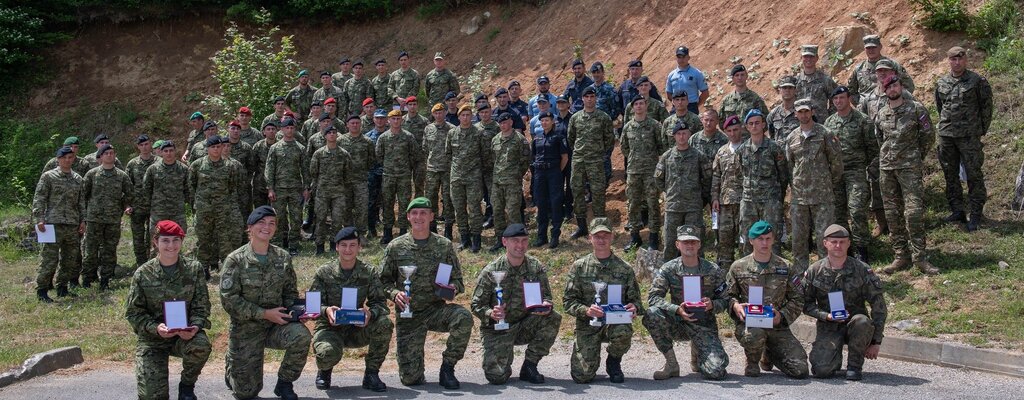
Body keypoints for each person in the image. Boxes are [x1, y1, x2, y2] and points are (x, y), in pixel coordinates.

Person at [378, 198, 473, 389]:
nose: (419, 217)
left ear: (431, 216)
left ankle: (447, 368)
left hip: (435, 310)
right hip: (408, 316)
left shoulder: (444, 245)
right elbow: (382, 282)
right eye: (414, 213)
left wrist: (451, 289)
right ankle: (414, 367)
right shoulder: (395, 247)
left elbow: (458, 281)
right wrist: (395, 293)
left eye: (423, 213)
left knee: (463, 317)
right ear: (407, 217)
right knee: (410, 379)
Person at [220, 206, 312, 400]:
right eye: (261, 223)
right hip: (246, 330)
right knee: (246, 394)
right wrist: (263, 313)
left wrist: (298, 313)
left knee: (301, 336)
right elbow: (230, 301)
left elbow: (289, 293)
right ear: (250, 228)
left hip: (275, 325)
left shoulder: (282, 257)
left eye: (271, 223)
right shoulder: (235, 260)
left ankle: (284, 384)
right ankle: (232, 365)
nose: (267, 227)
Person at [124, 220, 211, 400]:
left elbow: (201, 306)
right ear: (155, 242)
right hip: (153, 339)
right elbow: (134, 312)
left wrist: (194, 327)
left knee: (201, 345)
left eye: (175, 240)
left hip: (183, 335)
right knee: (152, 396)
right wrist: (155, 328)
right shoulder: (143, 273)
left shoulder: (194, 269)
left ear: (181, 241)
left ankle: (187, 386)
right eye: (165, 240)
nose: (171, 246)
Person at [470, 223, 561, 384]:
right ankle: (504, 354)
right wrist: (491, 313)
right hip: (497, 328)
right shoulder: (492, 271)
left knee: (553, 317)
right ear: (505, 242)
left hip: (524, 325)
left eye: (524, 240)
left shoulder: (535, 267)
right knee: (497, 377)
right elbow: (476, 304)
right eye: (515, 241)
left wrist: (546, 305)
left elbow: (547, 297)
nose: (520, 245)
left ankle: (529, 366)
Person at [309, 227, 392, 392]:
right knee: (326, 354)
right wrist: (326, 311)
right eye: (344, 245)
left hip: (357, 328)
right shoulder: (324, 272)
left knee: (385, 323)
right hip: (329, 328)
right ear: (337, 247)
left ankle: (371, 374)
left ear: (359, 247)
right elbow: (311, 305)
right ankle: (325, 371)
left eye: (353, 245)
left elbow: (380, 304)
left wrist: (369, 313)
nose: (348, 250)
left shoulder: (368, 272)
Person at [643, 225, 730, 381]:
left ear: (699, 244)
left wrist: (712, 304)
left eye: (693, 242)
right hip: (678, 322)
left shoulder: (712, 270)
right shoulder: (668, 269)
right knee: (652, 314)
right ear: (677, 244)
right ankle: (671, 364)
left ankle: (698, 352)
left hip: (704, 325)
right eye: (685, 242)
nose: (689, 245)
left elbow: (726, 299)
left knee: (716, 372)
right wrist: (676, 309)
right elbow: (653, 297)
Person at [563, 218, 643, 383]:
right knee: (581, 376)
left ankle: (613, 361)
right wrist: (586, 310)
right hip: (588, 323)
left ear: (612, 237)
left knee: (623, 330)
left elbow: (636, 302)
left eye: (605, 235)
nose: (601, 240)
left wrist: (633, 307)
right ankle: (590, 359)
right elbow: (568, 301)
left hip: (614, 322)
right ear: (590, 238)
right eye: (597, 236)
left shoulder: (624, 268)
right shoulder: (579, 267)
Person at [802, 224, 887, 380]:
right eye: (834, 242)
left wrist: (876, 341)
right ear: (825, 243)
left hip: (855, 326)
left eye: (842, 242)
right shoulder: (815, 270)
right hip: (829, 325)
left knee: (862, 321)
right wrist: (826, 316)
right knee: (822, 371)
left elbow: (878, 306)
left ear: (849, 243)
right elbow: (806, 305)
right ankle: (833, 359)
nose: (838, 246)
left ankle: (854, 366)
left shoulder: (862, 269)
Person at [726, 221, 809, 378]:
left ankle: (769, 353)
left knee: (800, 369)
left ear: (773, 240)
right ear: (751, 240)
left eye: (768, 238)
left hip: (776, 325)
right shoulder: (738, 267)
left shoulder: (785, 266)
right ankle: (752, 362)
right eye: (760, 239)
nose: (764, 243)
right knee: (754, 334)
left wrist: (782, 316)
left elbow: (798, 298)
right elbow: (727, 296)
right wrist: (735, 306)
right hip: (750, 325)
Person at [875, 76, 939, 275]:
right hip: (887, 168)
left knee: (913, 212)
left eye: (895, 85)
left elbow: (928, 135)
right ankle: (900, 256)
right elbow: (879, 137)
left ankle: (920, 257)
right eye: (888, 87)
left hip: (910, 167)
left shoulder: (916, 109)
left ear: (901, 87)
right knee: (892, 213)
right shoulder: (881, 113)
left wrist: (916, 155)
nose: (892, 89)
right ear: (884, 91)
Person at [935, 46, 993, 232]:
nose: (957, 62)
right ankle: (957, 210)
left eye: (960, 59)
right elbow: (940, 106)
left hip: (969, 136)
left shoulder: (977, 81)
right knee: (950, 174)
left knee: (973, 174)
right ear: (949, 61)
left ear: (965, 60)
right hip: (947, 135)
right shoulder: (942, 82)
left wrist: (980, 130)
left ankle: (976, 213)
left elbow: (986, 108)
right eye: (953, 59)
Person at [785, 98, 843, 273]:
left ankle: (824, 273)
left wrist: (827, 183)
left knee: (824, 238)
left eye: (806, 111)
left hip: (822, 196)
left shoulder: (825, 134)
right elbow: (790, 166)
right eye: (800, 112)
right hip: (800, 198)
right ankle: (801, 275)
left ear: (812, 112)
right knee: (799, 240)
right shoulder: (791, 137)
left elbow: (837, 163)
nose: (803, 114)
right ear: (795, 114)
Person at [826, 86, 878, 262]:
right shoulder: (829, 123)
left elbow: (872, 148)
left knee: (856, 209)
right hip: (836, 173)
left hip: (856, 171)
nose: (839, 101)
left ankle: (862, 250)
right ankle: (844, 250)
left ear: (848, 98)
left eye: (841, 97)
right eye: (835, 99)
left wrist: (865, 166)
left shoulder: (863, 120)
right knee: (838, 212)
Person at [33, 146, 86, 302]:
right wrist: (39, 219)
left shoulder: (78, 179)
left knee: (70, 258)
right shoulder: (48, 177)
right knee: (49, 259)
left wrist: (82, 221)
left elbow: (81, 202)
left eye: (70, 158)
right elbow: (39, 198)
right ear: (58, 159)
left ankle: (62, 287)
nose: (68, 160)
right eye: (64, 158)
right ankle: (42, 290)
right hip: (51, 224)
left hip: (71, 223)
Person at [655, 122, 711, 262]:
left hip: (693, 207)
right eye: (679, 134)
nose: (682, 136)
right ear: (674, 136)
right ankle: (669, 274)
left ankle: (698, 274)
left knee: (695, 243)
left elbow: (707, 179)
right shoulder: (667, 157)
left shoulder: (699, 156)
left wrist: (700, 198)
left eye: (684, 133)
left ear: (689, 134)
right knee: (670, 243)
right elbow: (658, 178)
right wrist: (670, 191)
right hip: (673, 207)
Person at [190, 136, 243, 275]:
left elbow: (232, 186)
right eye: (213, 147)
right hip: (204, 209)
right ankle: (203, 268)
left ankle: (227, 269)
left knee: (225, 239)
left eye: (218, 146)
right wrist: (197, 203)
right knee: (203, 239)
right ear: (207, 148)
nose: (216, 149)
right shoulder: (197, 165)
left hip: (223, 209)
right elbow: (191, 185)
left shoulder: (229, 166)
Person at [738, 110, 790, 253]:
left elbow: (783, 175)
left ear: (763, 125)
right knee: (748, 237)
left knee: (772, 237)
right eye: (751, 123)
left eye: (757, 123)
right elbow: (741, 173)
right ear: (747, 127)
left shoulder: (774, 148)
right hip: (749, 200)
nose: (754, 126)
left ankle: (775, 270)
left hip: (770, 200)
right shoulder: (743, 149)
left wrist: (778, 195)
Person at [82, 144, 133, 289]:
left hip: (112, 219)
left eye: (112, 153)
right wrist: (84, 215)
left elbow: (129, 194)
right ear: (101, 157)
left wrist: (126, 206)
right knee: (91, 250)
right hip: (94, 219)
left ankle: (105, 279)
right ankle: (88, 278)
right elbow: (84, 195)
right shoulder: (92, 174)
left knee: (109, 251)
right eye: (107, 153)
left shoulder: (121, 176)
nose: (110, 155)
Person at [567, 86, 615, 238]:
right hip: (579, 160)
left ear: (595, 98)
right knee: (578, 191)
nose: (589, 99)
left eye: (592, 97)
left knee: (598, 193)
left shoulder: (603, 117)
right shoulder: (575, 118)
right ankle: (582, 227)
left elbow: (609, 139)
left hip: (596, 161)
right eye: (586, 97)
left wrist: (601, 154)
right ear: (582, 99)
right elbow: (571, 138)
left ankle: (600, 228)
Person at [620, 95, 666, 251]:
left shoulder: (654, 125)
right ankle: (635, 237)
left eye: (641, 103)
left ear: (646, 106)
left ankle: (654, 237)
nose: (639, 106)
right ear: (632, 108)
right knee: (633, 204)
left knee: (653, 203)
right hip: (633, 171)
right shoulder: (627, 127)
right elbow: (624, 148)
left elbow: (661, 147)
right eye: (636, 104)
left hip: (650, 172)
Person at [446, 105, 491, 252]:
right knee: (459, 209)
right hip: (457, 177)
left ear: (471, 116)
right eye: (462, 115)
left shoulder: (479, 133)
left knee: (474, 208)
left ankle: (476, 239)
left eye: (468, 115)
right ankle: (464, 238)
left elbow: (485, 155)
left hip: (473, 177)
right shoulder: (452, 133)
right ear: (458, 117)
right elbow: (449, 154)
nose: (465, 118)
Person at [376, 109, 422, 244]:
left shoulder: (408, 137)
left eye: (398, 119)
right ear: (388, 121)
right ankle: (387, 232)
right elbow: (379, 156)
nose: (396, 121)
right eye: (393, 119)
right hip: (388, 176)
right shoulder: (383, 137)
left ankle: (403, 231)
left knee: (404, 204)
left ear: (401, 120)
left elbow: (415, 155)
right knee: (387, 204)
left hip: (404, 176)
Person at [264, 117, 309, 255]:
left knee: (296, 218)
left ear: (294, 129)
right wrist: (270, 188)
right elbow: (269, 169)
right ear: (282, 130)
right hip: (279, 189)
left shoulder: (300, 148)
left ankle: (294, 245)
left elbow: (305, 169)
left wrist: (306, 188)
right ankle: (278, 244)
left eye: (291, 128)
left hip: (296, 188)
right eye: (287, 128)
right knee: (279, 218)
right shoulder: (275, 148)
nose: (289, 130)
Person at [488, 113, 530, 252]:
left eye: (505, 122)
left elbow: (525, 159)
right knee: (498, 211)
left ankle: (516, 241)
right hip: (497, 182)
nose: (503, 125)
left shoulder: (519, 139)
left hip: (512, 182)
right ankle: (500, 240)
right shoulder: (495, 140)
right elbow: (494, 159)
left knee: (513, 212)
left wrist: (517, 174)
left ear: (511, 122)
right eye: (501, 123)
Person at [309, 126, 354, 255]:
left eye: (334, 133)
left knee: (337, 219)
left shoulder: (344, 154)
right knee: (321, 219)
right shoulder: (318, 153)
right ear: (325, 136)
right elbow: (313, 172)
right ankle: (319, 245)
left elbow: (348, 173)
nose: (332, 135)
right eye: (329, 133)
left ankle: (334, 244)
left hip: (339, 192)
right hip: (322, 192)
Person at [531, 112, 570, 249]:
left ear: (552, 121)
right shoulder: (537, 138)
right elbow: (534, 155)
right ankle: (541, 236)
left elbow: (564, 157)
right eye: (542, 121)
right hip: (540, 173)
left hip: (554, 173)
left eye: (547, 120)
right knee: (541, 204)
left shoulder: (558, 138)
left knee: (555, 203)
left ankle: (555, 236)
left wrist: (557, 171)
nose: (544, 123)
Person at [711, 116, 745, 267]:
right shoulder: (722, 152)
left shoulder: (748, 148)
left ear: (741, 129)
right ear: (725, 132)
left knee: (745, 241)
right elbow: (716, 176)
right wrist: (715, 198)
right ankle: (725, 277)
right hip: (725, 203)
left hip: (745, 202)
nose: (733, 133)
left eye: (735, 129)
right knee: (724, 241)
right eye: (729, 131)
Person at [338, 115, 376, 239]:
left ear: (361, 124)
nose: (355, 125)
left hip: (361, 180)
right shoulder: (340, 141)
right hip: (345, 181)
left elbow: (371, 161)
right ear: (347, 125)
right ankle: (349, 232)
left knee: (362, 208)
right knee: (346, 207)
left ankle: (361, 234)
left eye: (357, 123)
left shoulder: (367, 141)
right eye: (352, 123)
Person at [848, 34, 915, 105]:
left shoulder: (892, 65)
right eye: (868, 48)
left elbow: (909, 85)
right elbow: (850, 91)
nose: (871, 50)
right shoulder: (859, 68)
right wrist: (861, 104)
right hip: (868, 110)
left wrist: (897, 101)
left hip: (890, 108)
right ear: (864, 49)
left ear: (880, 47)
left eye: (874, 47)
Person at [423, 103, 456, 238]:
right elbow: (425, 148)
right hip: (432, 169)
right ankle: (432, 227)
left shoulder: (452, 129)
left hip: (448, 169)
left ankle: (448, 228)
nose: (438, 115)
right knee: (431, 198)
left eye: (441, 112)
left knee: (448, 199)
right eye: (436, 113)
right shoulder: (428, 129)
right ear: (433, 114)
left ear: (445, 113)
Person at [143, 140, 190, 235]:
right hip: (159, 211)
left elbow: (188, 189)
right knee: (158, 237)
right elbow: (147, 189)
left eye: (171, 150)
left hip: (177, 212)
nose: (169, 153)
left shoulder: (183, 169)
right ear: (161, 152)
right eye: (166, 151)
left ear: (175, 151)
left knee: (178, 236)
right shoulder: (153, 169)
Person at [126, 135, 157, 267]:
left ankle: (152, 261)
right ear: (138, 147)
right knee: (138, 236)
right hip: (137, 206)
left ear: (151, 144)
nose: (144, 147)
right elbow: (127, 186)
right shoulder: (132, 164)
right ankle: (140, 263)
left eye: (146, 144)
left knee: (153, 235)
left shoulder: (158, 162)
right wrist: (127, 204)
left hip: (154, 205)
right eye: (141, 145)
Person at [719, 64, 769, 135]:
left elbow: (766, 120)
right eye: (737, 75)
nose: (740, 78)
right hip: (734, 140)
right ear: (732, 78)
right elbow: (721, 122)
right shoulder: (726, 100)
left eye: (742, 75)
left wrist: (755, 134)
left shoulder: (755, 98)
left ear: (746, 76)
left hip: (750, 141)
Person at [665, 46, 709, 114]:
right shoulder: (671, 75)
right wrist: (677, 103)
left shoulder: (696, 73)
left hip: (691, 107)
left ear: (688, 57)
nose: (681, 59)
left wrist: (696, 104)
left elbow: (705, 93)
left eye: (683, 57)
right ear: (676, 58)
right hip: (676, 108)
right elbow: (669, 93)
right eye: (679, 57)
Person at [365, 109, 388, 238]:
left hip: (388, 173)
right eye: (377, 118)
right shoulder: (368, 137)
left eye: (382, 118)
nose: (380, 120)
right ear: (373, 120)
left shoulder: (392, 134)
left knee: (387, 201)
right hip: (373, 174)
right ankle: (371, 228)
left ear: (386, 120)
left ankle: (387, 229)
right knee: (371, 202)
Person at [403, 96, 430, 197]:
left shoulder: (424, 121)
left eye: (414, 104)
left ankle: (418, 206)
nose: (412, 107)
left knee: (419, 184)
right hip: (405, 157)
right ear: (406, 106)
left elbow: (428, 138)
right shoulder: (401, 121)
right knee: (404, 185)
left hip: (419, 158)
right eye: (410, 105)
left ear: (417, 105)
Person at [251, 121, 278, 208]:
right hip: (260, 185)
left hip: (277, 185)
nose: (271, 131)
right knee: (260, 211)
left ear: (276, 131)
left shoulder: (280, 146)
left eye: (273, 129)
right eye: (268, 129)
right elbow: (252, 164)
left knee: (276, 213)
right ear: (264, 132)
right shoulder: (258, 146)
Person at [767, 76, 800, 141]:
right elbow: (771, 137)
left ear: (795, 90)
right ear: (780, 90)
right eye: (784, 88)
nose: (787, 90)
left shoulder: (802, 111)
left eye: (790, 87)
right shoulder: (773, 114)